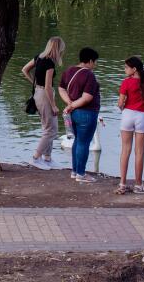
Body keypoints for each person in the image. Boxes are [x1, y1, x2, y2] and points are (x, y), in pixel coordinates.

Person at [116, 56, 144, 194]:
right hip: (142, 116)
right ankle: (138, 185)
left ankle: (122, 184)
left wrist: (124, 108)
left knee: (125, 150)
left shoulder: (126, 82)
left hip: (127, 115)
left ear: (134, 69)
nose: (125, 70)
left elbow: (120, 103)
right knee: (139, 153)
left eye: (126, 67)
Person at [21, 36, 65, 170]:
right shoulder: (50, 64)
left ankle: (47, 159)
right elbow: (47, 87)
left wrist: (34, 83)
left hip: (38, 94)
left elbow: (24, 70)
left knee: (50, 128)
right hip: (45, 95)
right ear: (58, 49)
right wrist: (53, 105)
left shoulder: (38, 58)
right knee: (50, 130)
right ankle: (35, 158)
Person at [60, 47, 101, 183]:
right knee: (84, 143)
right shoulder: (89, 74)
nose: (95, 65)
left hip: (74, 114)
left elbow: (61, 88)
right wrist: (72, 105)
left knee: (77, 142)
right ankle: (81, 174)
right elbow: (87, 97)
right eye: (94, 62)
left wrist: (69, 103)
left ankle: (74, 171)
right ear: (89, 61)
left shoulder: (68, 71)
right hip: (87, 113)